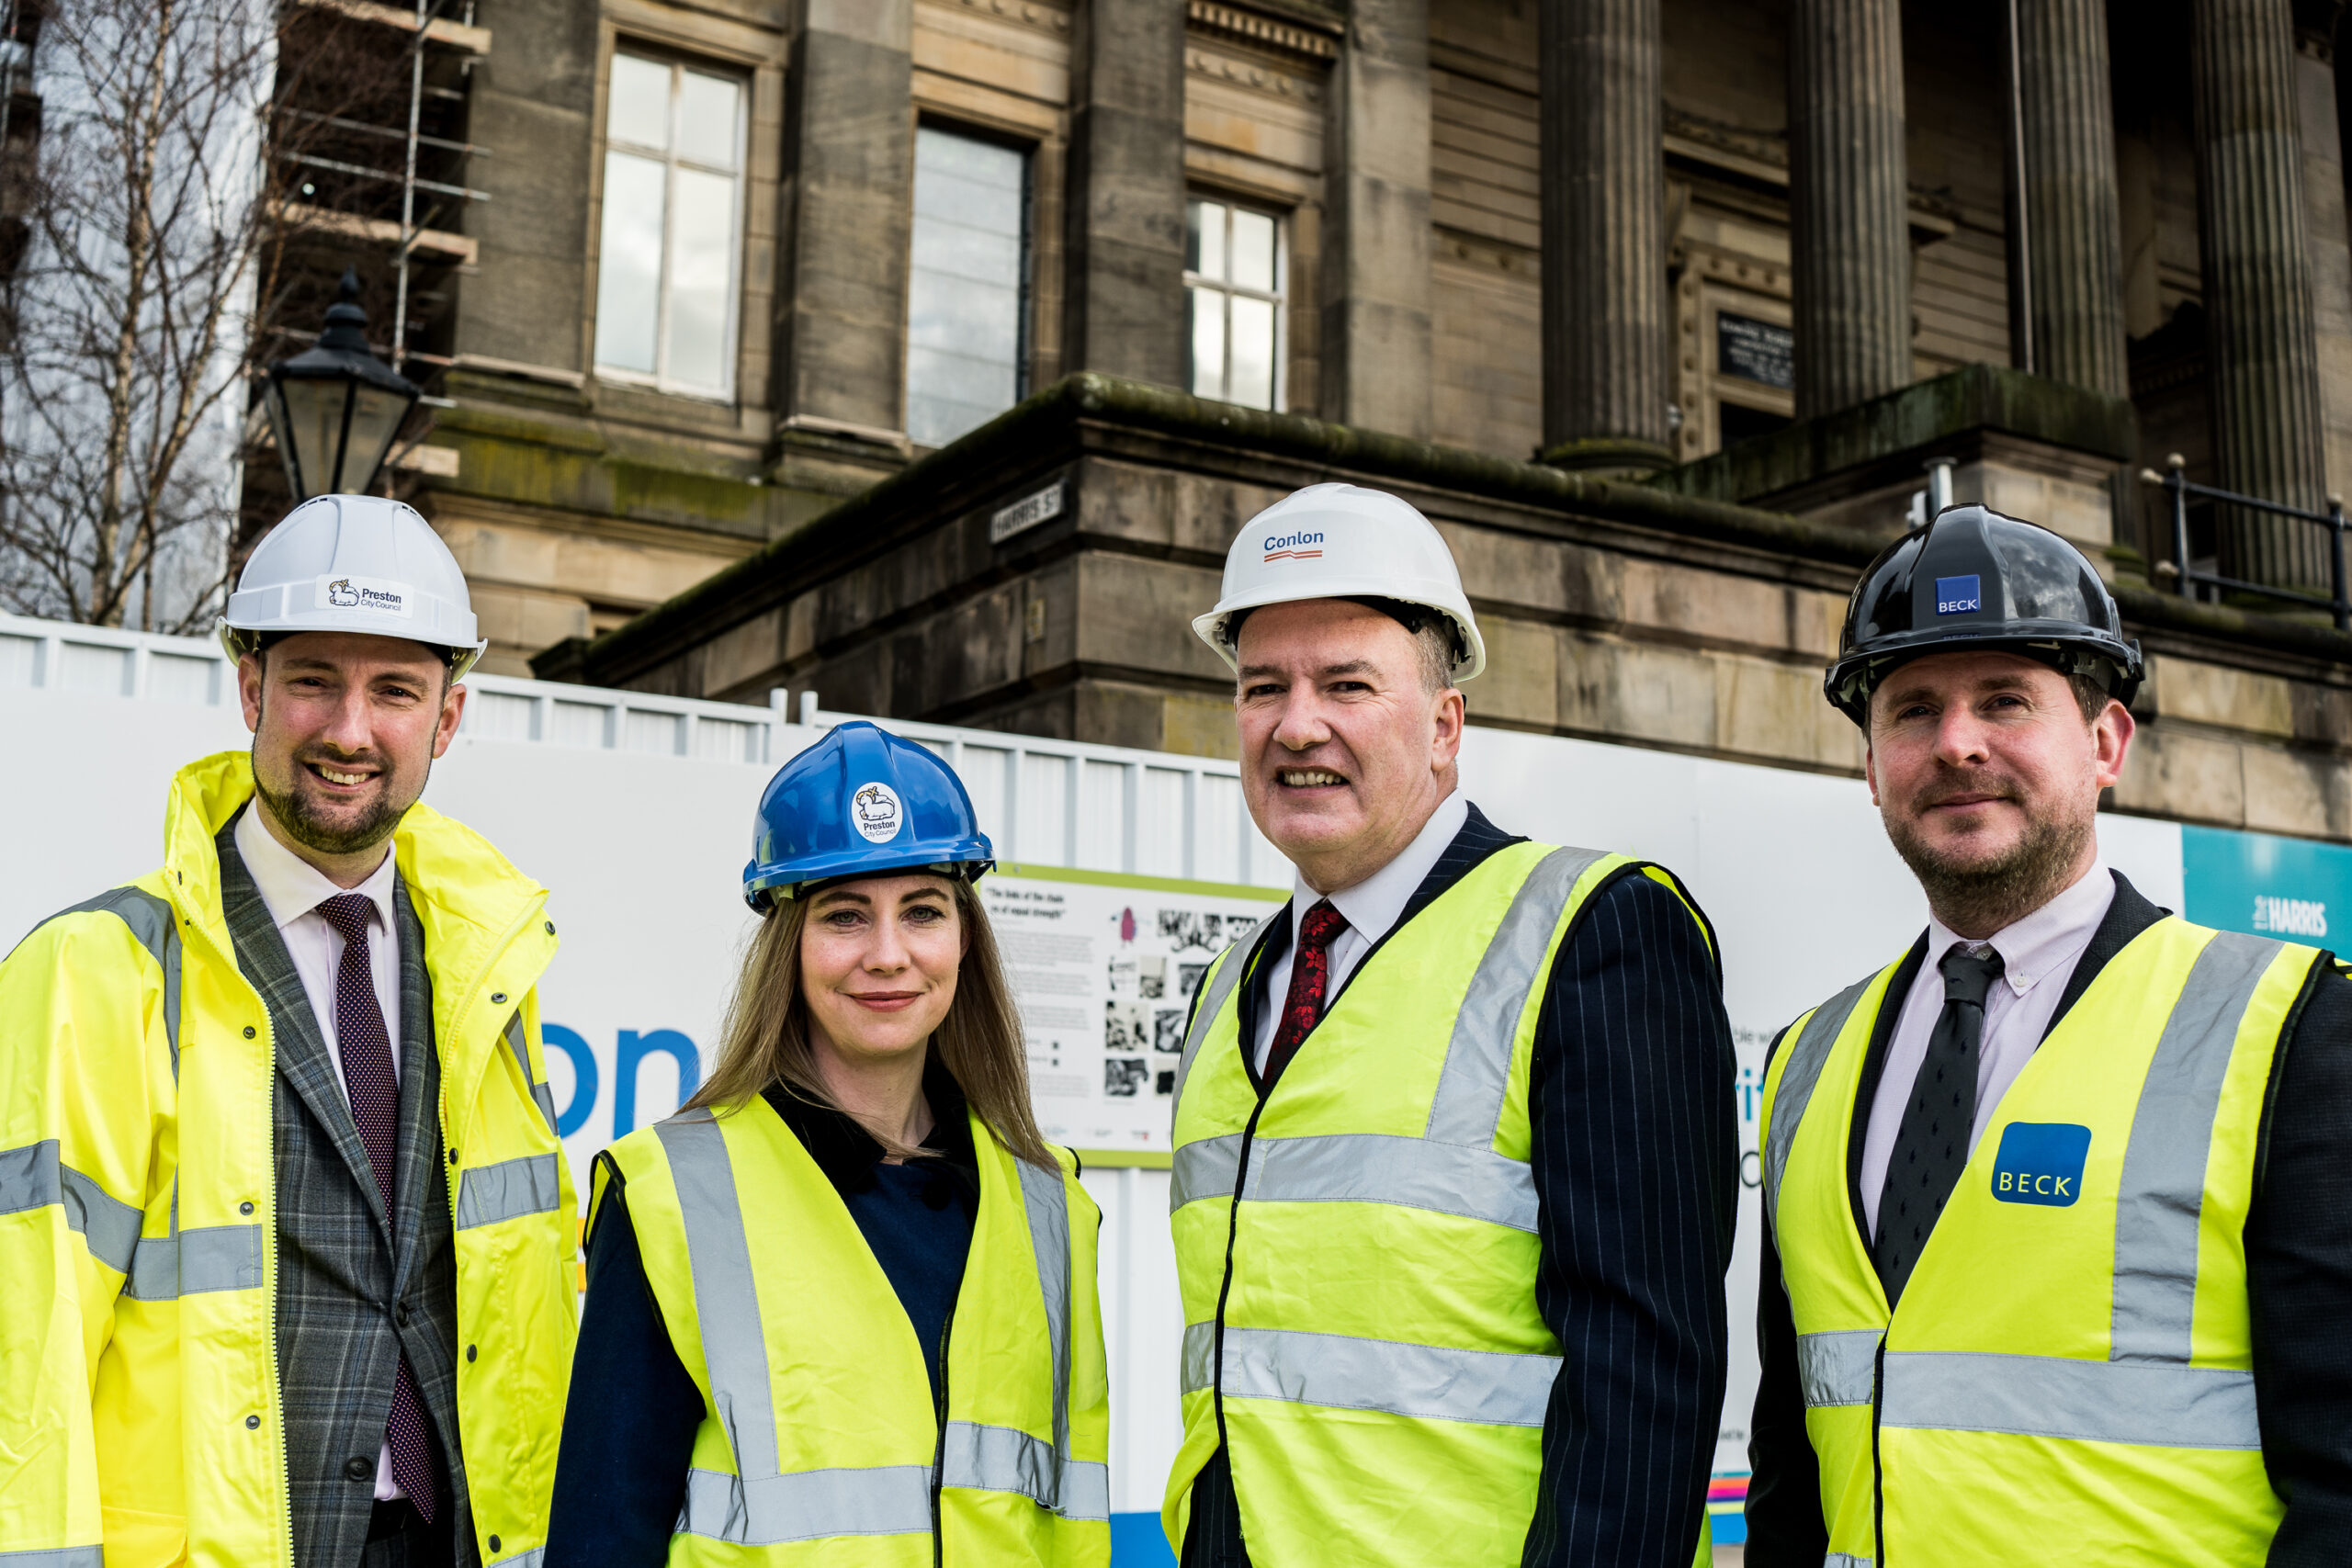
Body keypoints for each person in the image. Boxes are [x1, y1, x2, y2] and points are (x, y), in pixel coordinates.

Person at [1745, 504, 2352, 1565]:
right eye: (1911, 710)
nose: (1956, 743)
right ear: (1871, 761)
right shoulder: (1806, 1060)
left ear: (2107, 740)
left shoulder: (2290, 1025)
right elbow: (1792, 1467)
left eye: (2006, 701)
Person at [1161, 483, 1738, 1568]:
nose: (1296, 724)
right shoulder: (1234, 984)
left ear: (1443, 725)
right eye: (1261, 688)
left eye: (1346, 684)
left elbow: (1643, 1371)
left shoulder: (1595, 932)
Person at [0, 494, 577, 1568]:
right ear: (252, 689)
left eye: (394, 690)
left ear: (446, 719)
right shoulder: (99, 968)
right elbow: (21, 1345)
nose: (350, 730)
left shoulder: (489, 968)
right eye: (314, 679)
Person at [544, 720, 1110, 1567]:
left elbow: (1070, 1519)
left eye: (922, 911)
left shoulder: (1049, 1204)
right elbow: (603, 1534)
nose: (889, 956)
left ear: (964, 937)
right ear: (790, 945)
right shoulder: (673, 1191)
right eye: (846, 916)